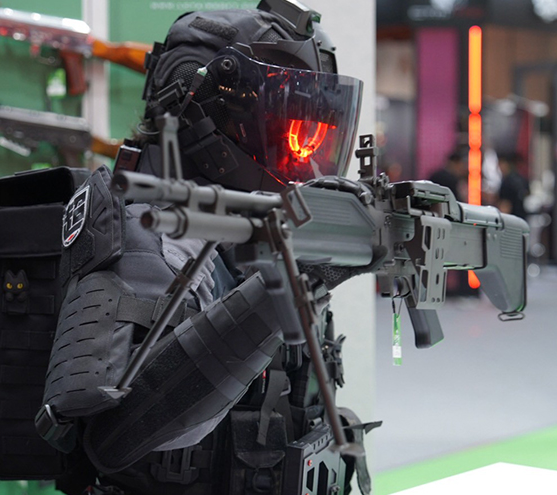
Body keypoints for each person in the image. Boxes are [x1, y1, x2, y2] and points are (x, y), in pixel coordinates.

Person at [36, 3, 373, 494]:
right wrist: (297, 280)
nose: (303, 149)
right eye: (287, 123)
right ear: (197, 107)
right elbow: (116, 437)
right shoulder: (150, 234)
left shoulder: (246, 227)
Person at [496, 153, 530, 219]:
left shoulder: (507, 182)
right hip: (523, 219)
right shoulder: (523, 179)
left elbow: (505, 206)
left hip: (511, 219)